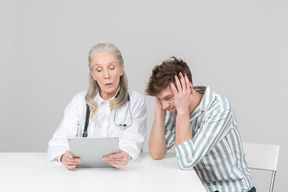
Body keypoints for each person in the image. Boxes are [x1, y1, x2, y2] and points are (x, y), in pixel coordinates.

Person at [145, 57, 255, 192]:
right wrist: (159, 110)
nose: (165, 105)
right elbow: (157, 153)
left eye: (168, 98)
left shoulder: (219, 109)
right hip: (200, 188)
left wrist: (183, 111)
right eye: (160, 100)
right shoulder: (174, 108)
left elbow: (186, 162)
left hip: (234, 189)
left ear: (189, 89)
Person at [48, 43, 147, 169]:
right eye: (99, 70)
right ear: (93, 74)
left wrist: (125, 154)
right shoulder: (80, 101)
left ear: (121, 69)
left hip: (122, 174)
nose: (106, 75)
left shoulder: (136, 101)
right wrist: (63, 156)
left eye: (111, 68)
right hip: (84, 175)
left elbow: (134, 139)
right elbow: (59, 140)